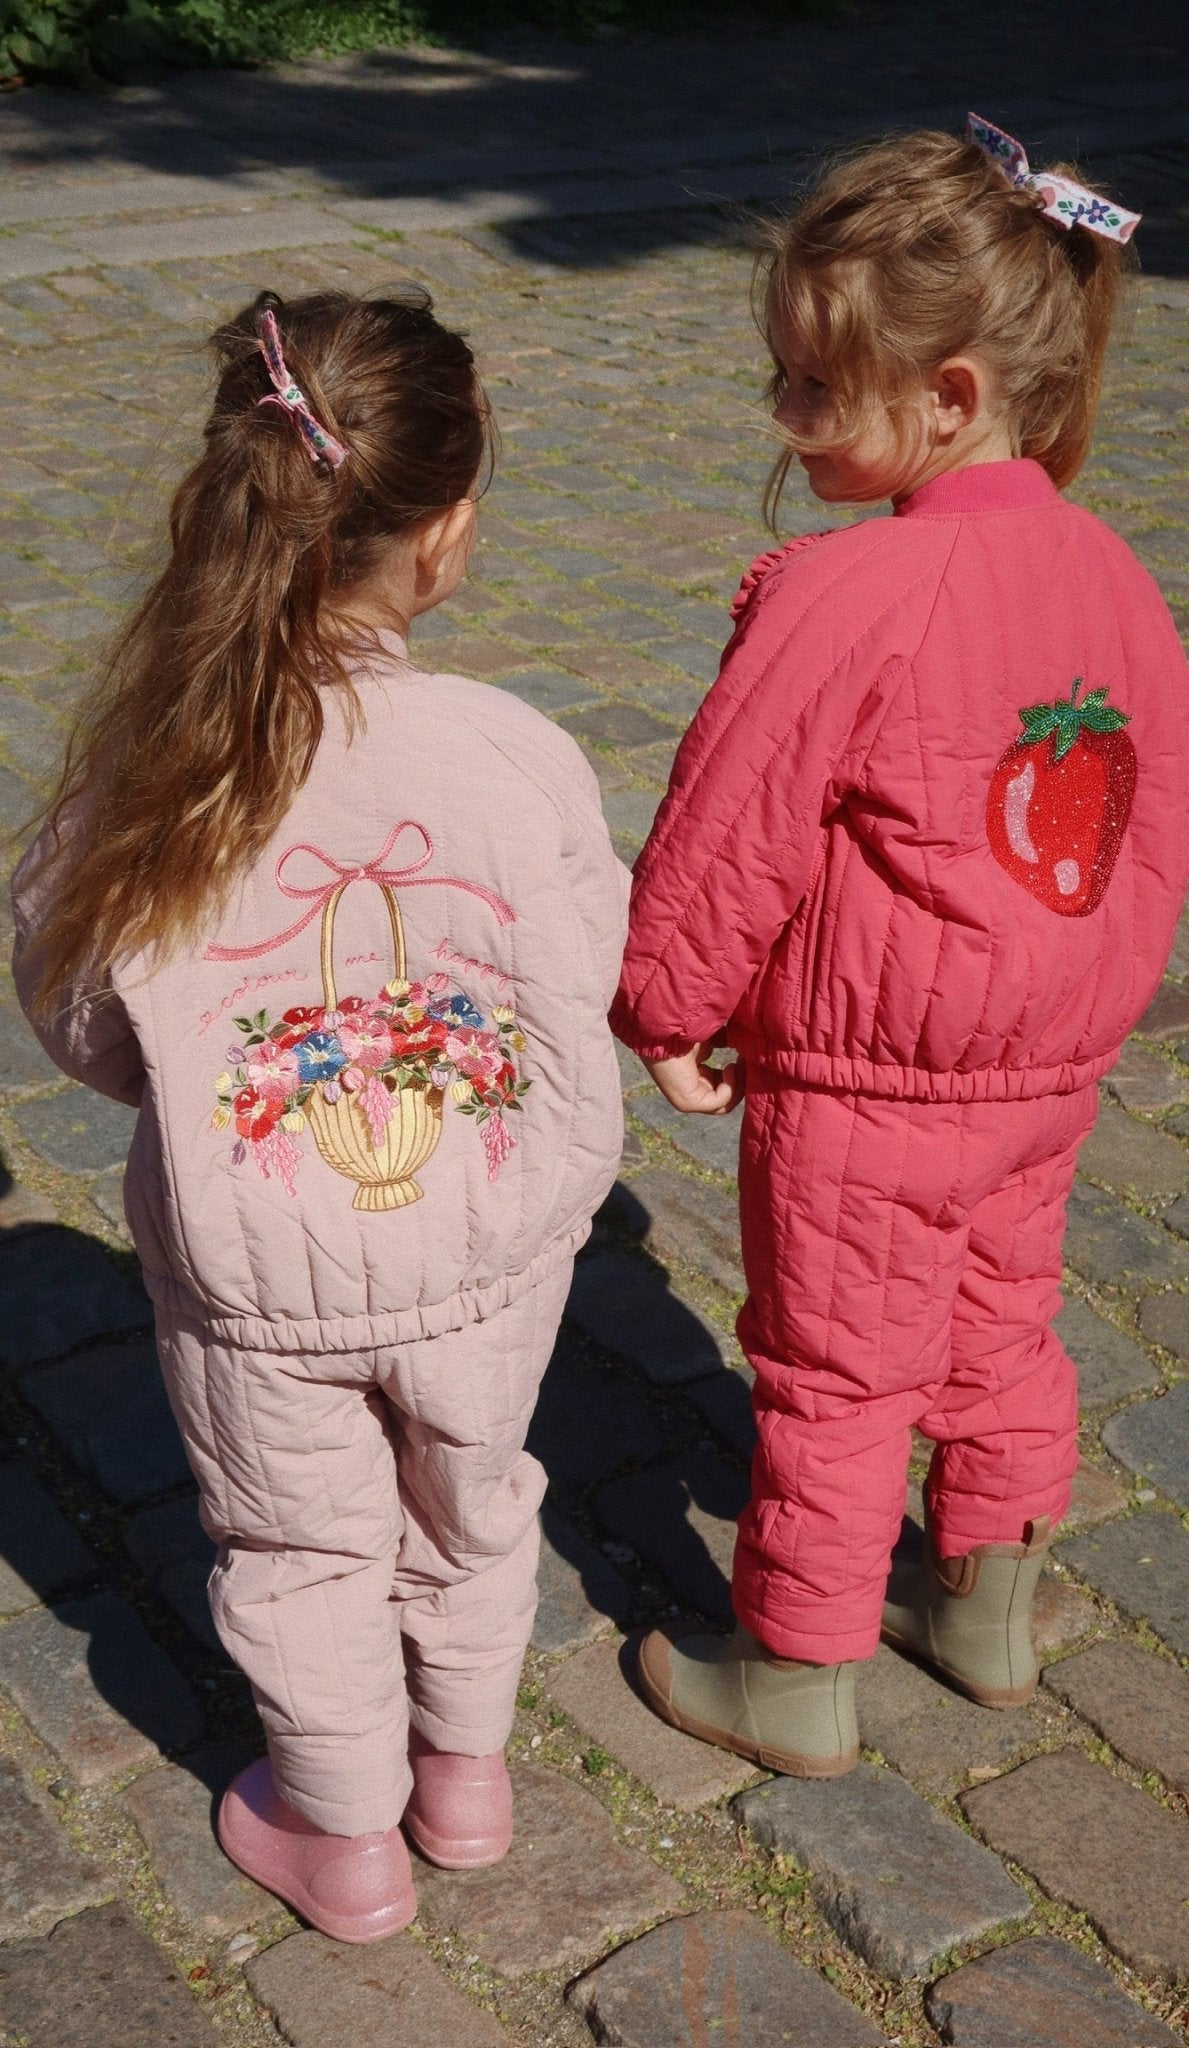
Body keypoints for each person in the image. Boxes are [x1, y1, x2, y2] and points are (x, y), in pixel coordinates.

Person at [12, 288, 628, 1938]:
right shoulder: (510, 751)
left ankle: (344, 1839)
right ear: (448, 534)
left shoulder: (163, 762)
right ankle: (465, 1779)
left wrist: (206, 1087)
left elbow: (78, 1007)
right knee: (474, 1503)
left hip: (256, 1268)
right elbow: (581, 962)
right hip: (487, 1248)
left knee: (299, 1552)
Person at [611, 117, 1189, 1778]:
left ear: (945, 394)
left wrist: (666, 1007)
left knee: (836, 1375)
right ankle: (987, 1612)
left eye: (811, 388)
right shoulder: (1113, 575)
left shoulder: (849, 591)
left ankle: (794, 1674)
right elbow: (1141, 828)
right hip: (1041, 1075)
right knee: (1002, 1325)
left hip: (868, 1084)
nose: (782, 418)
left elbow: (732, 826)